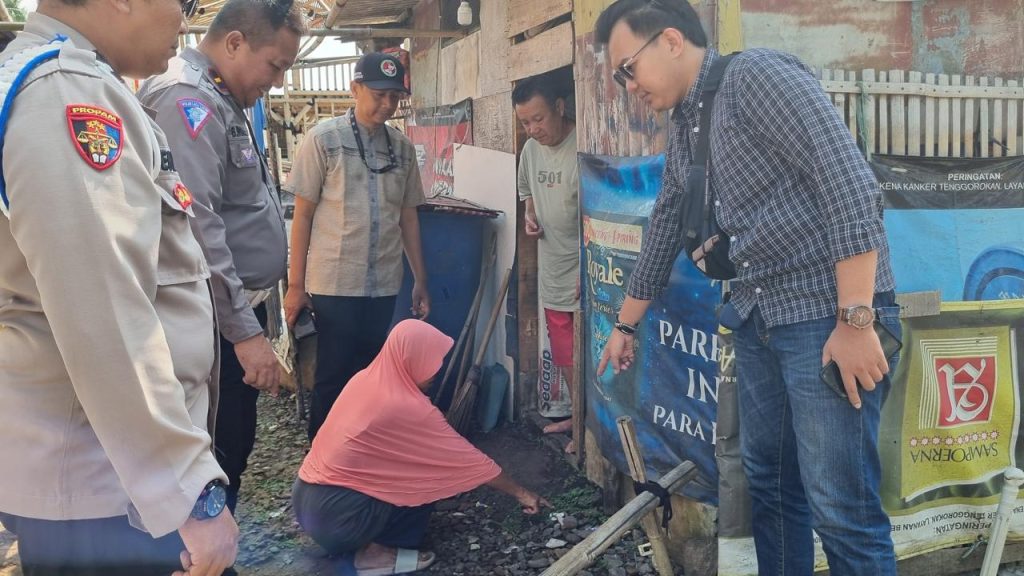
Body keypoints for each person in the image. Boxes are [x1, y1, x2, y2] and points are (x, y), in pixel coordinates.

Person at [593, 1, 900, 574]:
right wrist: (624, 325)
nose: (625, 87)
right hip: (760, 315)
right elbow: (665, 224)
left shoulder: (756, 76)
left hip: (825, 315)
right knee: (772, 486)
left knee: (841, 507)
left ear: (671, 41)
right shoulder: (688, 121)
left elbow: (851, 185)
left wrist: (856, 320)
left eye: (627, 69)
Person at [0, 1, 239, 575]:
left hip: (110, 478)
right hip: (110, 494)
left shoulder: (65, 78)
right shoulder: (65, 94)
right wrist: (189, 492)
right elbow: (105, 316)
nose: (184, 19)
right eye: (179, 3)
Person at [137, 0, 304, 515]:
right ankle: (205, 554)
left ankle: (214, 548)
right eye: (274, 65)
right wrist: (245, 334)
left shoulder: (218, 95)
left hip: (227, 313)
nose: (275, 82)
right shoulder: (187, 98)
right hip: (210, 320)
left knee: (231, 441)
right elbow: (198, 227)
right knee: (216, 445)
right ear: (234, 43)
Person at [292, 319, 548, 576]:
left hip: (308, 503)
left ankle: (361, 538)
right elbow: (469, 460)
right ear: (409, 357)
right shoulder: (406, 407)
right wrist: (522, 493)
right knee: (425, 478)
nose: (437, 369)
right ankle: (373, 554)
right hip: (339, 520)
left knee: (409, 469)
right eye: (430, 360)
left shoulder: (365, 379)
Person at [283, 52, 431, 440]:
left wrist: (420, 280)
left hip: (384, 282)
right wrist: (296, 286)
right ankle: (320, 461)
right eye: (379, 94)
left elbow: (409, 217)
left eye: (395, 98)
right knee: (332, 375)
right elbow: (303, 216)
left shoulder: (402, 149)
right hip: (334, 282)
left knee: (371, 375)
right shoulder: (323, 140)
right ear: (355, 88)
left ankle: (361, 454)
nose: (387, 104)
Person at [512, 75, 580, 453]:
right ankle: (578, 416)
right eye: (525, 123)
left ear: (559, 107)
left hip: (586, 267)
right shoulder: (531, 152)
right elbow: (527, 192)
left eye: (538, 119)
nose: (533, 129)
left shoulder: (584, 144)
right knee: (565, 349)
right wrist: (530, 214)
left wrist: (591, 267)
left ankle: (592, 426)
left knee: (594, 346)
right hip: (553, 266)